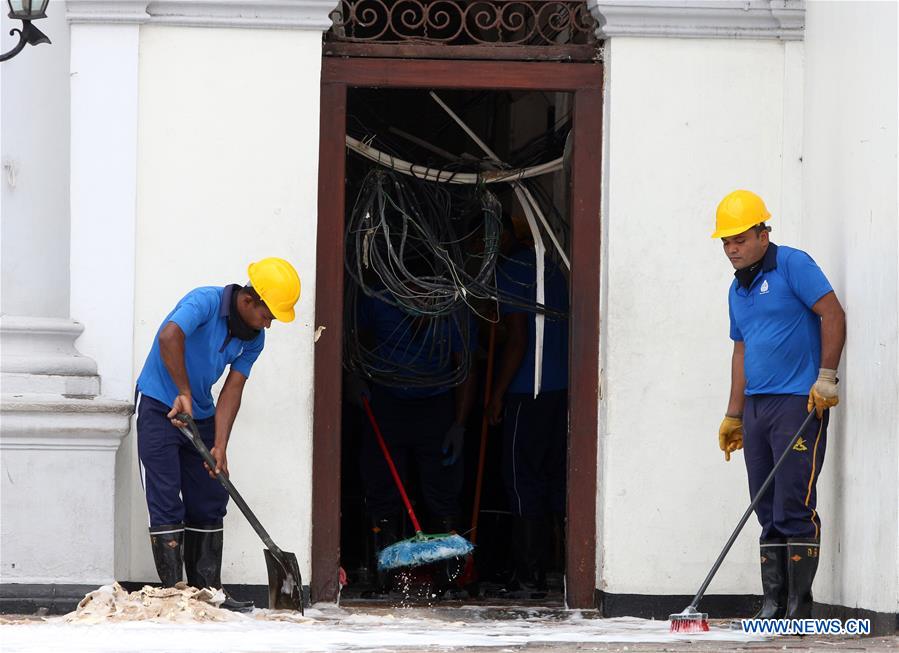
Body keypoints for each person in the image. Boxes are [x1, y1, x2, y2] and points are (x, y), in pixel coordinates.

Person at [135, 257, 301, 610]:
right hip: (159, 403)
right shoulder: (205, 301)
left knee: (210, 496)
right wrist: (182, 391)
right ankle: (175, 595)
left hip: (202, 412)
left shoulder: (253, 339)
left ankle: (208, 593)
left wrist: (220, 445)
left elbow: (233, 389)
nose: (269, 324)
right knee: (165, 497)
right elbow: (169, 335)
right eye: (268, 314)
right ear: (248, 300)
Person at [713, 190, 845, 620]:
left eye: (739, 238)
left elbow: (832, 314)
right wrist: (734, 413)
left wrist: (826, 376)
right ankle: (772, 604)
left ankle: (798, 607)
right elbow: (741, 351)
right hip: (756, 407)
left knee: (793, 501)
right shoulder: (738, 290)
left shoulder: (792, 264)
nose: (732, 248)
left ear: (762, 233)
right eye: (726, 242)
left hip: (797, 402)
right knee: (764, 503)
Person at [347, 289, 477, 596]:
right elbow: (350, 337)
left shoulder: (453, 309)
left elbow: (466, 368)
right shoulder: (377, 301)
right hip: (386, 399)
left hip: (437, 403)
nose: (420, 302)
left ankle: (450, 578)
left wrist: (459, 424)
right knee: (382, 487)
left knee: (443, 490)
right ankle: (387, 576)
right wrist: (354, 376)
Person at [487, 215, 569, 598]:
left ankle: (528, 575)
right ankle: (557, 570)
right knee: (552, 479)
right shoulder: (552, 267)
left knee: (521, 480)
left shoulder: (513, 269)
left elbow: (518, 339)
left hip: (528, 390)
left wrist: (497, 393)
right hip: (560, 389)